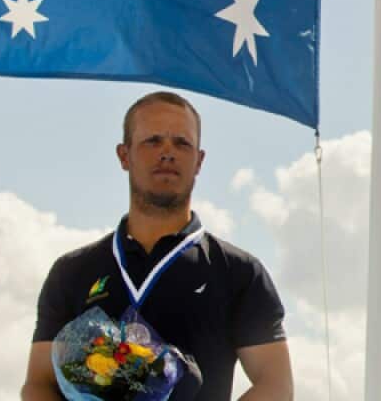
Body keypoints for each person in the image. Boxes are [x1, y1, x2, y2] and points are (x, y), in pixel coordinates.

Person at [21, 91, 293, 401]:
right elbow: (39, 383)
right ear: (124, 156)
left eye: (182, 143)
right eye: (152, 141)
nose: (167, 153)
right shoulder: (72, 271)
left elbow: (275, 385)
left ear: (199, 161)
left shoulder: (241, 272)